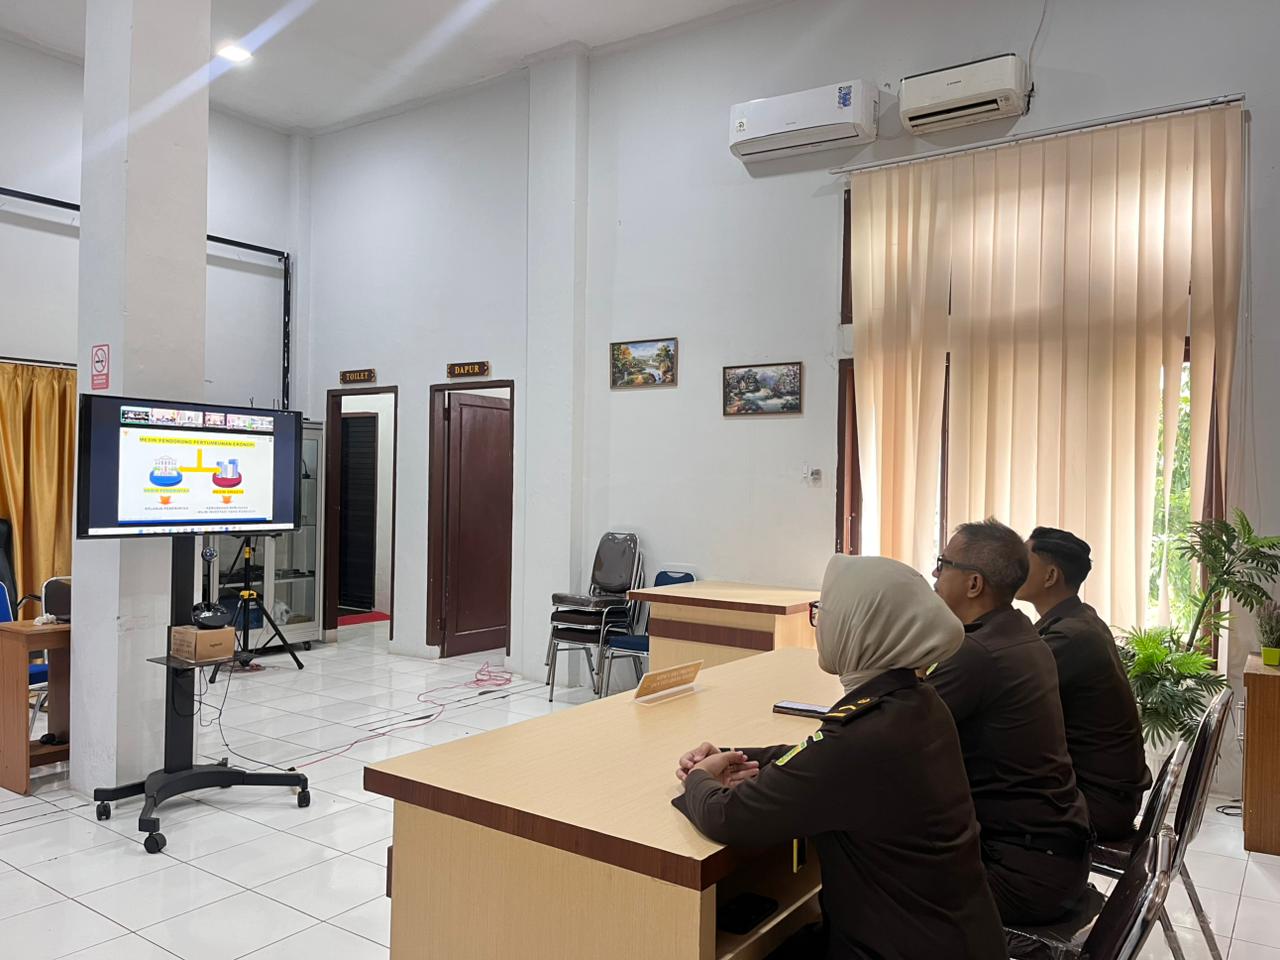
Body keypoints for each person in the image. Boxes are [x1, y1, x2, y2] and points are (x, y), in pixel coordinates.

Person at [673, 556, 1006, 960]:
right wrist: (733, 756)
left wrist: (699, 777)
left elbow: (728, 817)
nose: (819, 623)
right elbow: (821, 756)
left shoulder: (865, 736)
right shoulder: (914, 702)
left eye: (823, 611)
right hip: (947, 937)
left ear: (861, 627)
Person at [929, 518, 1092, 925]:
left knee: (866, 868)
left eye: (943, 564)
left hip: (1019, 875)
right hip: (1054, 857)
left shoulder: (979, 653)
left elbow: (893, 734)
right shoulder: (1017, 632)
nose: (934, 574)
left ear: (973, 584)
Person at [1016, 526, 1151, 840]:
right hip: (1108, 794)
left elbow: (1007, 688)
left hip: (1095, 803)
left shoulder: (1071, 636)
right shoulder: (1079, 619)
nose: (1014, 569)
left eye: (1023, 561)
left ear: (1050, 576)